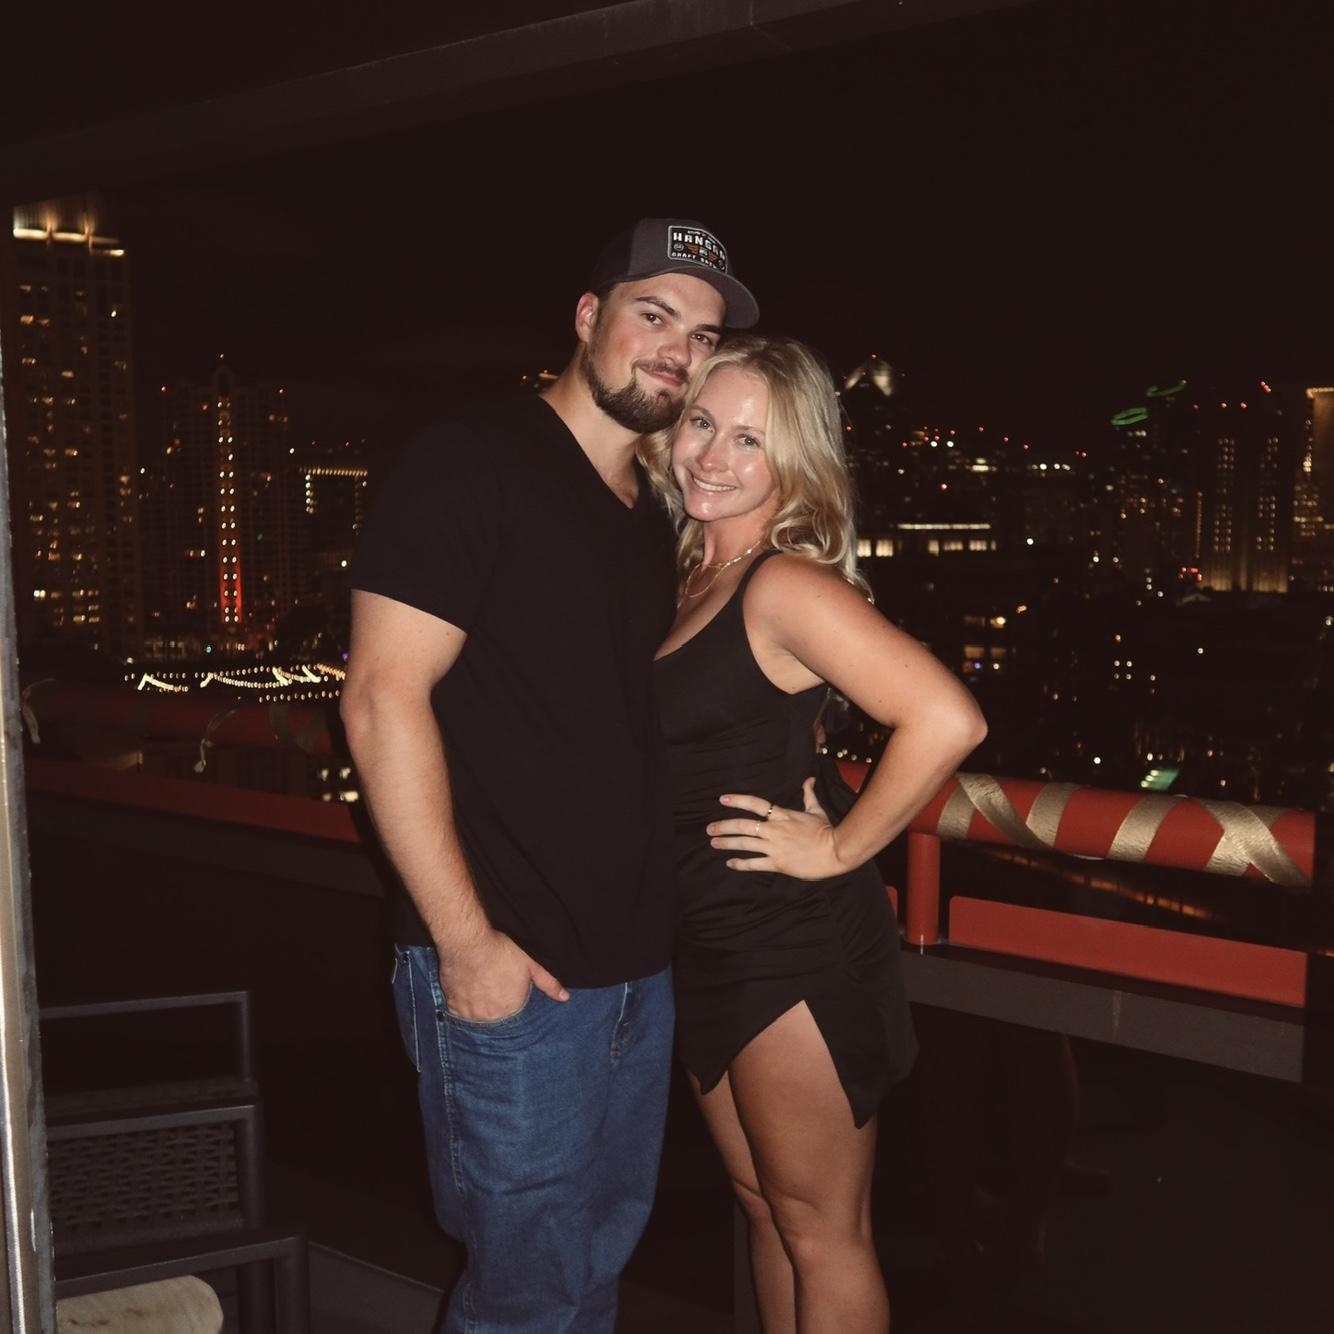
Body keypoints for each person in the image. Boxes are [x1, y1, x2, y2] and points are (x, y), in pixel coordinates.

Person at [340, 218, 758, 1334]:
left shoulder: (653, 512)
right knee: (523, 1296)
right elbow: (381, 698)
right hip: (510, 965)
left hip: (634, 971)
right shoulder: (471, 458)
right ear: (586, 316)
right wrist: (465, 944)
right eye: (653, 315)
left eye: (700, 336)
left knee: (590, 1273)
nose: (675, 351)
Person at [641, 335, 987, 1333]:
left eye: (750, 439)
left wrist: (837, 847)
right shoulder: (689, 575)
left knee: (823, 1230)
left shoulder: (780, 584)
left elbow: (946, 717)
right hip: (706, 933)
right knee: (764, 1207)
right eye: (702, 423)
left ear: (793, 461)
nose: (713, 455)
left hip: (787, 939)